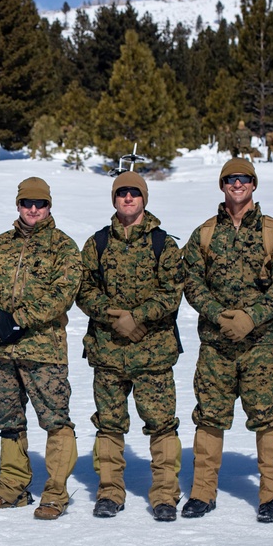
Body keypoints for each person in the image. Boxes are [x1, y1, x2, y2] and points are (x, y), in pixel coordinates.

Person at [180, 158, 273, 523]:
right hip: (216, 345)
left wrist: (252, 317)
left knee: (267, 418)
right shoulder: (205, 233)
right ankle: (202, 493)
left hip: (260, 345)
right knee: (210, 417)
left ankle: (271, 496)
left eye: (244, 179)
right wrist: (218, 314)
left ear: (253, 184)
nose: (237, 184)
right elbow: (191, 281)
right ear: (222, 185)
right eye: (230, 179)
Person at [76, 171, 185, 522]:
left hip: (152, 353)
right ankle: (110, 491)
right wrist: (113, 316)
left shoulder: (163, 243)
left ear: (144, 199)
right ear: (114, 199)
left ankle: (166, 494)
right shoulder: (97, 243)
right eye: (121, 193)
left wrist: (137, 317)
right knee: (109, 426)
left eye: (134, 193)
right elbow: (83, 288)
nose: (127, 199)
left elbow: (171, 292)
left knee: (162, 425)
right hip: (108, 351)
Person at [0, 177, 81, 521]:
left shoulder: (63, 247)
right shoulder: (1, 245)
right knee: (9, 420)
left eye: (40, 203)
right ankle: (12, 487)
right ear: (18, 205)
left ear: (50, 206)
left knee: (55, 420)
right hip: (4, 349)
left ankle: (55, 493)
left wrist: (19, 319)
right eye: (27, 203)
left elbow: (62, 294)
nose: (33, 209)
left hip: (43, 350)